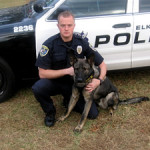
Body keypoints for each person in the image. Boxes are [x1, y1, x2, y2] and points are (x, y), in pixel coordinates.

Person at [32, 11, 107, 127]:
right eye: (63, 25)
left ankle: (68, 100)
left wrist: (99, 80)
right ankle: (50, 113)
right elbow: (42, 73)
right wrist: (67, 71)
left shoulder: (82, 42)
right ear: (58, 26)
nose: (66, 28)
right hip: (56, 82)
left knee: (93, 114)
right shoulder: (49, 44)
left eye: (69, 25)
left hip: (76, 85)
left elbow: (102, 64)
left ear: (74, 26)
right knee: (38, 87)